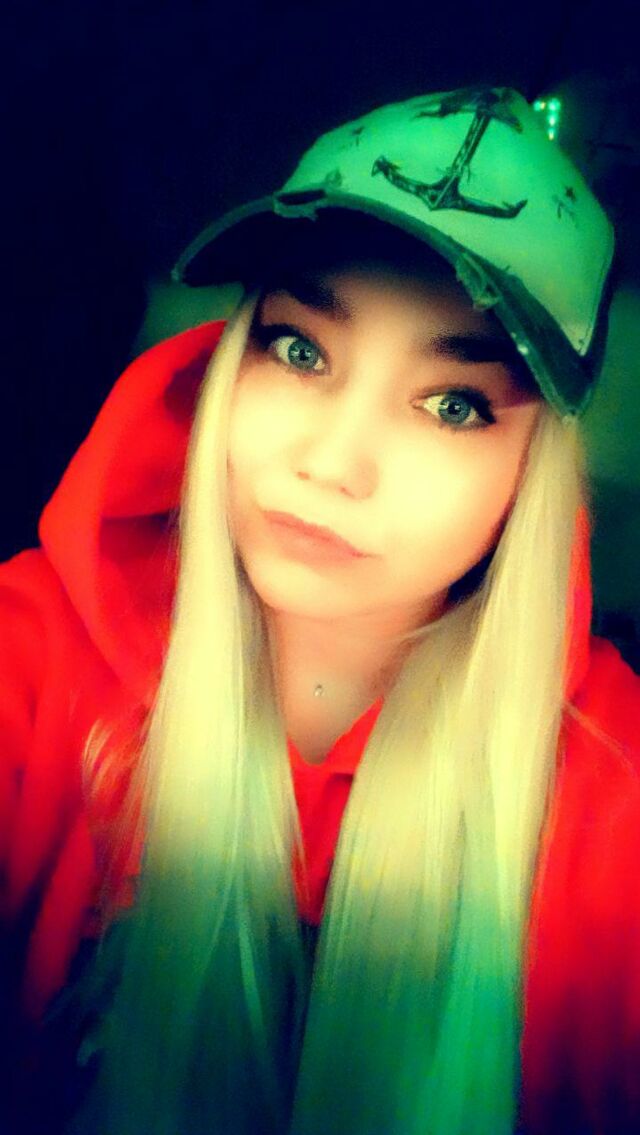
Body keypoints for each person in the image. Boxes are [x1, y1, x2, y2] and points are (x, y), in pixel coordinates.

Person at [0, 84, 639, 1135]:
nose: (334, 464)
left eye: (454, 405)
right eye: (299, 349)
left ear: (532, 473)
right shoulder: (34, 652)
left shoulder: (609, 795)